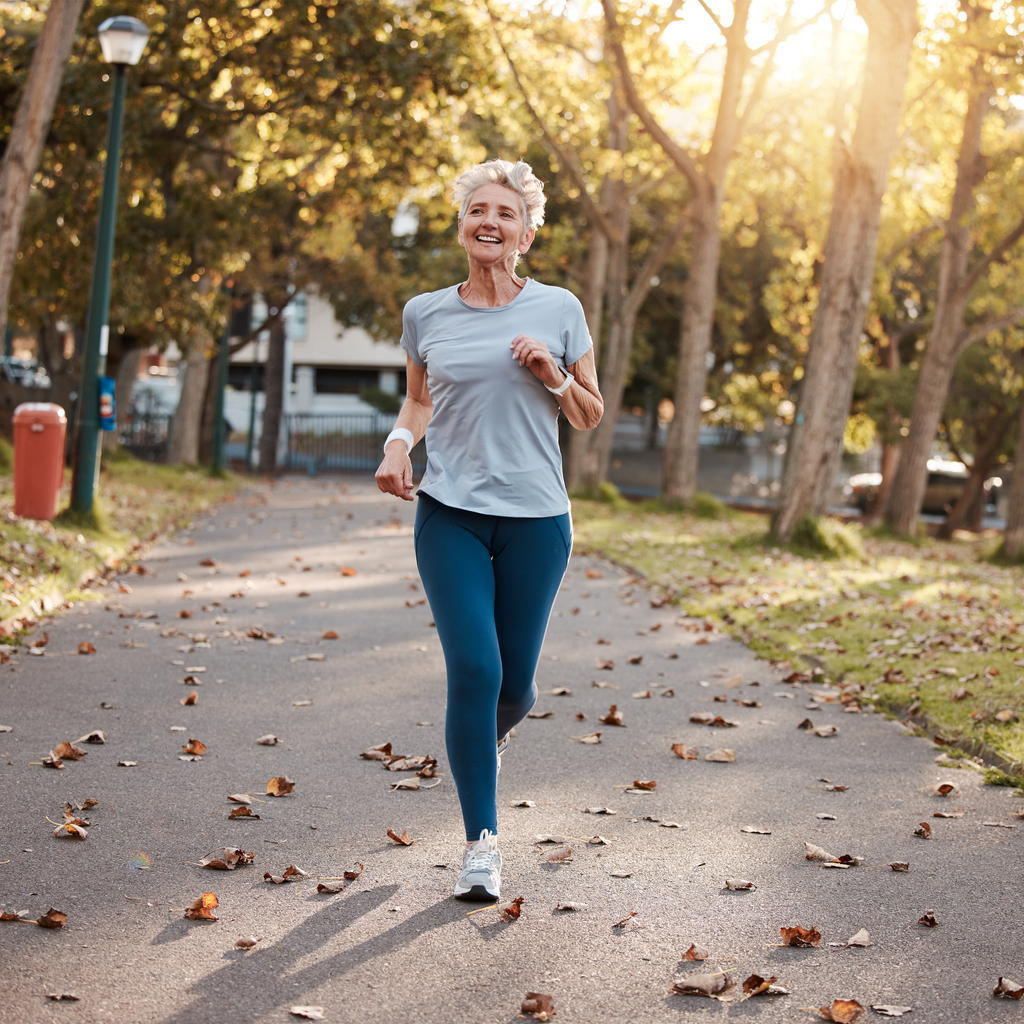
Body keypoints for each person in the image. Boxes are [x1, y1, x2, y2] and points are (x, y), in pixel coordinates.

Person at [375, 158, 604, 901]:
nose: (490, 222)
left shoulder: (560, 308)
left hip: (538, 520)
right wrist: (398, 446)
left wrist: (553, 375)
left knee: (516, 688)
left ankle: (483, 740)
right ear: (463, 224)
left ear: (526, 233)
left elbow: (590, 414)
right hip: (451, 514)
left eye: (505, 213)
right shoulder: (426, 313)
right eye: (478, 210)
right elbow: (418, 404)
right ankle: (482, 845)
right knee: (474, 671)